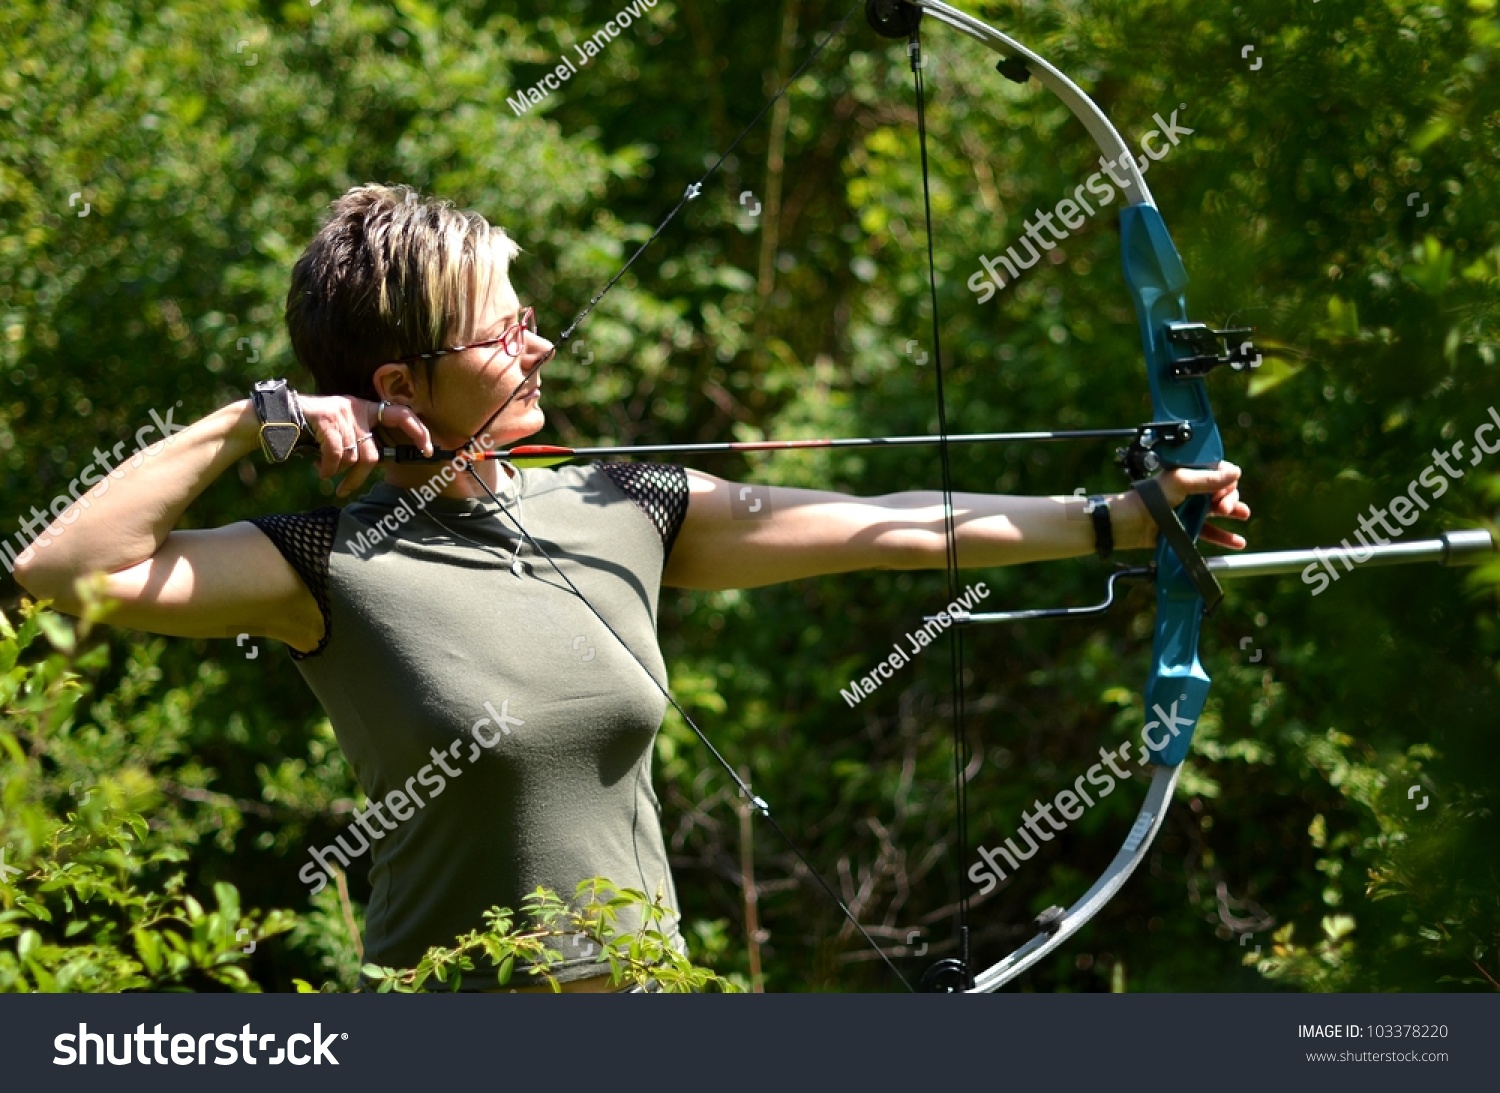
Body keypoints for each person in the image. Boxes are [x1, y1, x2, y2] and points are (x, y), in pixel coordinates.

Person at [13, 184, 1250, 992]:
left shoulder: (624, 505)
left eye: (531, 316)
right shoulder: (321, 561)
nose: (538, 344)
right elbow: (60, 575)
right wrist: (250, 420)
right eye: (503, 335)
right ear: (399, 379)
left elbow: (890, 527)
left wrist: (1119, 520)